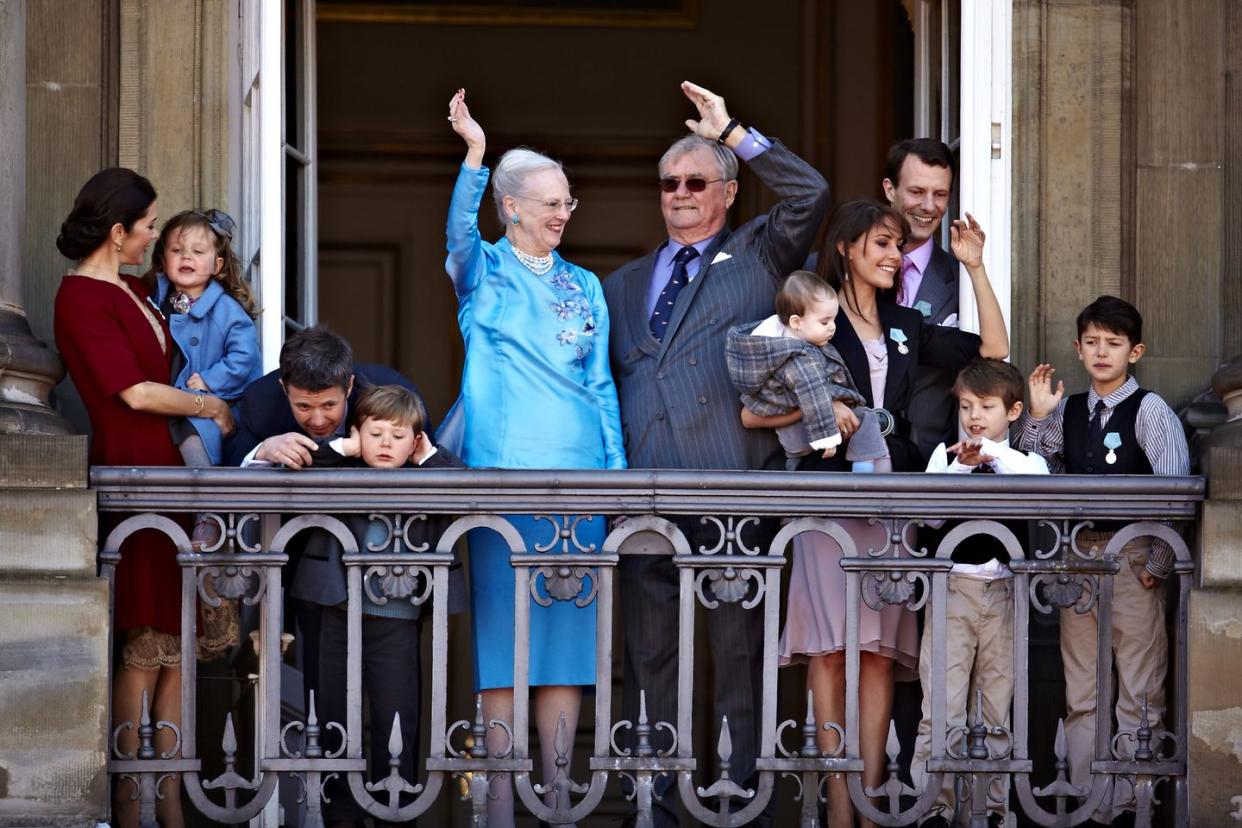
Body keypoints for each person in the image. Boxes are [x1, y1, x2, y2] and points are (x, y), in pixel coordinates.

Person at [603, 81, 828, 826]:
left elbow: (810, 193)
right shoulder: (624, 283)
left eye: (696, 182)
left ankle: (741, 800)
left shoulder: (757, 251)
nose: (679, 195)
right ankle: (657, 803)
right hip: (645, 493)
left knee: (739, 657)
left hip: (733, 489)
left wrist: (733, 131)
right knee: (653, 660)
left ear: (728, 192)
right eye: (669, 184)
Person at [763, 199, 1007, 828]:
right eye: (882, 243)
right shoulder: (807, 319)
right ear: (846, 247)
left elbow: (996, 350)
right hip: (827, 491)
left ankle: (869, 809)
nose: (895, 255)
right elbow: (755, 405)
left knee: (875, 652)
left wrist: (974, 268)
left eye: (899, 246)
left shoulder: (906, 319)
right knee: (828, 649)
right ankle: (839, 809)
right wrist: (820, 414)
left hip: (892, 492)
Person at [443, 88, 626, 828]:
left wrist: (614, 479)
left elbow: (603, 382)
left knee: (566, 646)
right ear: (510, 206)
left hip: (578, 484)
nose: (560, 213)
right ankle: (496, 806)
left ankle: (556, 799)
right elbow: (458, 235)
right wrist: (476, 158)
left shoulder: (585, 285)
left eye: (567, 203)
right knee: (503, 645)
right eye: (547, 202)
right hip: (502, 477)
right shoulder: (480, 270)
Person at [52, 167, 236, 828]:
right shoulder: (79, 298)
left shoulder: (135, 287)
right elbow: (131, 392)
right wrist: (207, 403)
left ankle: (174, 801)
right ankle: (131, 804)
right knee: (145, 642)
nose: (156, 236)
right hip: (136, 475)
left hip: (173, 474)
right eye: (150, 225)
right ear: (117, 229)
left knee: (178, 641)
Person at [1016, 296, 1189, 824]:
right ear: (1078, 347)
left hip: (1134, 553)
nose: (1101, 351)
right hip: (1079, 557)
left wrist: (1155, 563)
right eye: (1091, 342)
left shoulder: (1151, 410)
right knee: (1084, 687)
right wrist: (1040, 418)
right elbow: (1033, 470)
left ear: (1134, 351)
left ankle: (1135, 803)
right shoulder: (1070, 410)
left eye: (1113, 343)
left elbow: (1175, 489)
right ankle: (1094, 805)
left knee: (1139, 686)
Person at [227, 325, 428, 717]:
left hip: (391, 577)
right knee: (326, 707)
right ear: (285, 389)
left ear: (350, 386)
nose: (318, 419)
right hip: (309, 571)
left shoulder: (391, 395)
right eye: (303, 407)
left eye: (329, 406)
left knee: (397, 709)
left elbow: (431, 469)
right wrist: (263, 451)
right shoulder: (259, 402)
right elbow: (229, 466)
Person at [289, 384, 466, 828]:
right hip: (336, 614)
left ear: (417, 443)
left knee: (396, 720)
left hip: (398, 623)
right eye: (376, 433)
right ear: (357, 435)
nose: (386, 444)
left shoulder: (430, 473)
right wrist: (345, 445)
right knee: (332, 720)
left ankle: (394, 812)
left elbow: (464, 484)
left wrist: (428, 457)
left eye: (399, 435)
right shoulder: (338, 463)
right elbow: (304, 465)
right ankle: (339, 817)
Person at [911, 358, 1048, 828]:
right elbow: (927, 517)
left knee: (996, 705)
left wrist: (991, 455)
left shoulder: (1022, 461)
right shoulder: (942, 456)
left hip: (1004, 594)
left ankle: (991, 808)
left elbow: (1040, 485)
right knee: (942, 704)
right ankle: (935, 807)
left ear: (1012, 412)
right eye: (966, 406)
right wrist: (961, 469)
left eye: (986, 406)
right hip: (953, 590)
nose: (973, 416)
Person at [145, 208, 261, 548]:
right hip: (170, 399)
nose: (187, 258)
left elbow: (244, 359)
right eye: (177, 250)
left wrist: (209, 381)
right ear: (162, 256)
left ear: (218, 264)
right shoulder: (156, 301)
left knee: (194, 431)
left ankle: (209, 513)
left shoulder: (226, 310)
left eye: (198, 252)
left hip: (217, 403)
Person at [726, 269, 889, 472]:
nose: (832, 327)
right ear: (796, 322)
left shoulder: (779, 344)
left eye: (833, 320)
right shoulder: (798, 358)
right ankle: (864, 472)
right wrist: (827, 437)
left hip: (794, 437)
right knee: (866, 418)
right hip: (810, 433)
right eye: (824, 322)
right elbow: (811, 391)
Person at [882, 138, 963, 458]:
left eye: (940, 194)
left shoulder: (963, 281)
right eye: (916, 192)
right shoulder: (844, 268)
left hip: (930, 459)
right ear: (890, 189)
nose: (929, 206)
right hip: (850, 460)